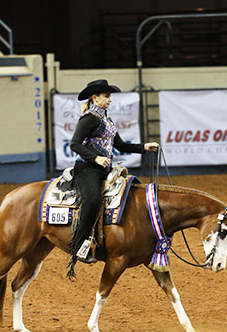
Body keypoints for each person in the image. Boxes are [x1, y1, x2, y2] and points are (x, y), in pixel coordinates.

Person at [68, 79, 159, 273]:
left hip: (104, 170)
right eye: (107, 96)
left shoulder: (107, 120)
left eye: (110, 96)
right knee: (92, 201)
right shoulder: (89, 118)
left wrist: (144, 147)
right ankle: (79, 247)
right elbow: (74, 144)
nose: (110, 99)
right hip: (87, 170)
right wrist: (95, 159)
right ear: (95, 98)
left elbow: (121, 145)